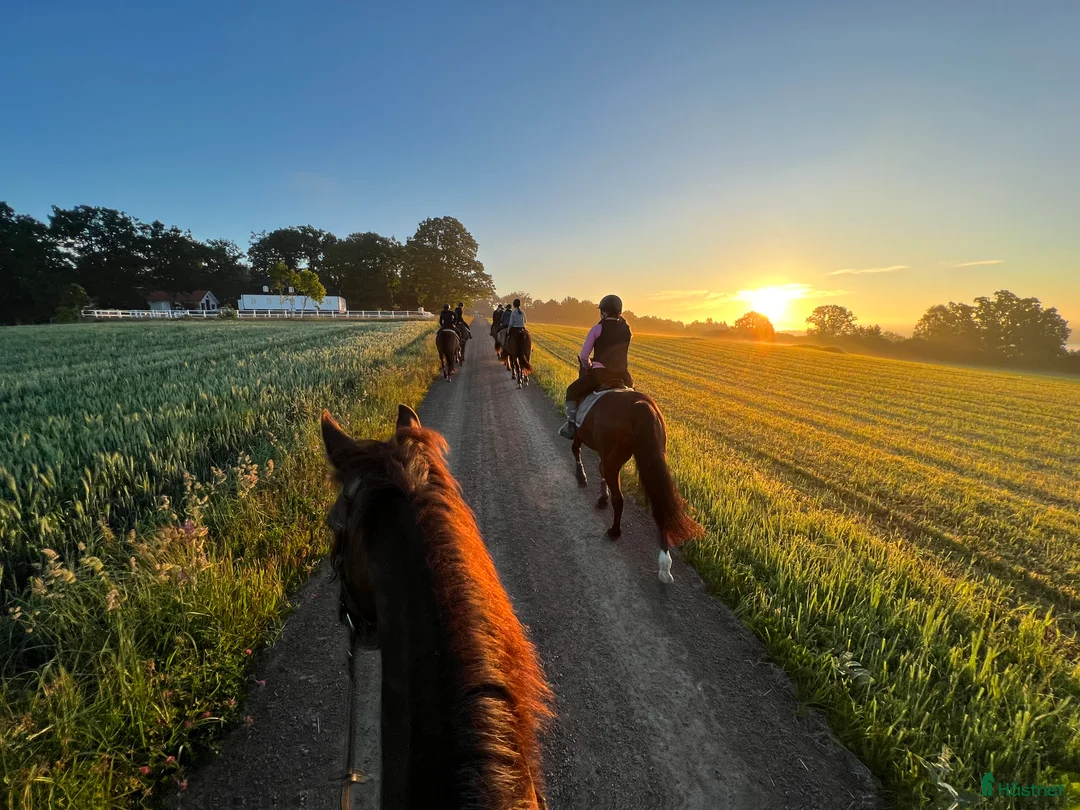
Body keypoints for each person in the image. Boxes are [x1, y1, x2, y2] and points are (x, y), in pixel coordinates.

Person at [559, 294, 634, 439]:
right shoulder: (627, 330)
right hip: (623, 376)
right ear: (619, 311)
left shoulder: (597, 329)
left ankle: (571, 425)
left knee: (572, 391)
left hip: (600, 375)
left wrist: (588, 366)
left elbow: (583, 357)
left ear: (604, 311)